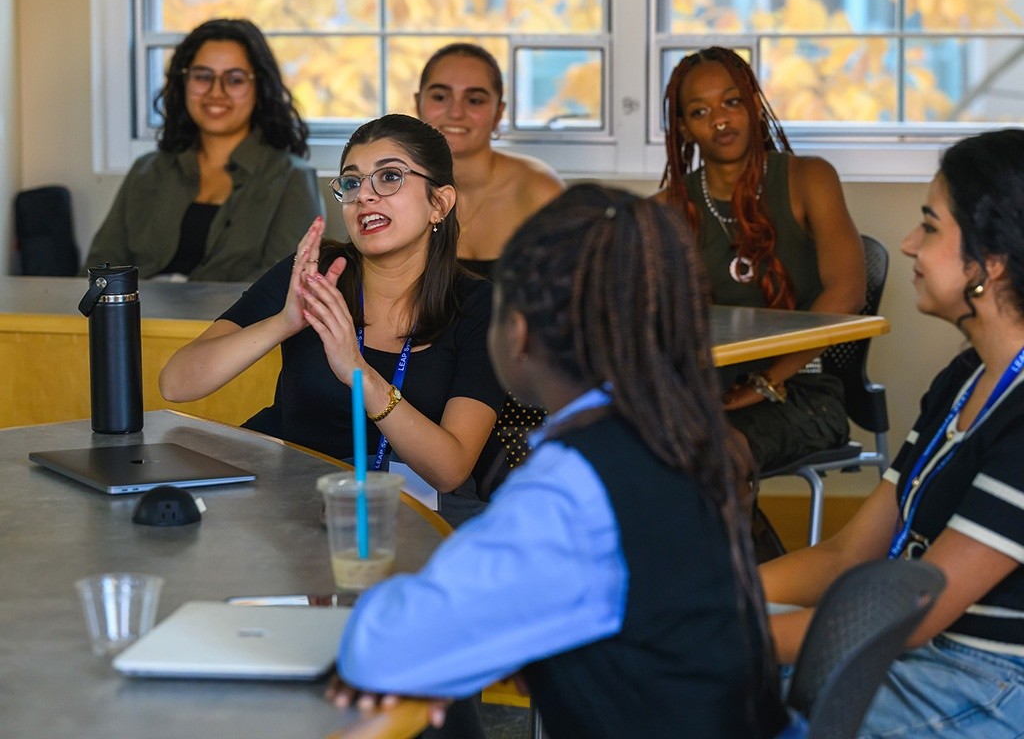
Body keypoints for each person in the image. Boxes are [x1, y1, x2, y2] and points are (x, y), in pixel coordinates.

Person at [330, 185, 797, 739]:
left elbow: (380, 649)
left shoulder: (573, 485)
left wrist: (422, 645)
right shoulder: (681, 432)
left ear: (519, 331)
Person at [762, 128, 1024, 737]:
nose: (908, 245)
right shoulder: (965, 376)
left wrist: (707, 631)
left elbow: (919, 612)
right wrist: (706, 594)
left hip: (989, 685)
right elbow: (848, 555)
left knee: (694, 679)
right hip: (917, 654)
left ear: (990, 263)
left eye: (930, 227)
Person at [159, 114, 504, 524]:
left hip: (419, 506)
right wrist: (285, 321)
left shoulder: (478, 304)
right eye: (353, 182)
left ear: (440, 203)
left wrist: (358, 372)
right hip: (296, 497)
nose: (365, 196)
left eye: (390, 177)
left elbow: (450, 470)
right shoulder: (316, 272)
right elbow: (177, 384)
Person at [659, 46, 865, 475]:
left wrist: (766, 381)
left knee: (715, 456)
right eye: (700, 111)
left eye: (732, 102)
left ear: (754, 104)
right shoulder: (667, 210)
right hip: (705, 389)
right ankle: (750, 545)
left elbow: (848, 293)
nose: (720, 119)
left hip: (803, 388)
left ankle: (739, 544)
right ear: (683, 128)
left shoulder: (809, 179)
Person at [415, 42, 565, 487]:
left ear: (499, 112)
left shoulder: (537, 191)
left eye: (475, 99)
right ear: (417, 104)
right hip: (420, 386)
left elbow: (570, 320)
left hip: (516, 394)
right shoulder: (394, 188)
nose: (455, 111)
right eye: (440, 96)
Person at [85, 18, 324, 281]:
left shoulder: (292, 179)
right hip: (137, 319)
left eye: (234, 79)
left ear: (260, 88)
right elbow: (100, 268)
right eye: (202, 76)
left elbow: (284, 286)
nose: (215, 92)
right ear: (184, 82)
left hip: (237, 322)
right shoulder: (146, 171)